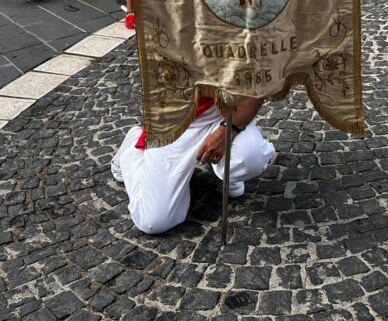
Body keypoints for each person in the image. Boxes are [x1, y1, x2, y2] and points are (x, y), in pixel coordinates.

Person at [111, 94, 276, 234]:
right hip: (176, 117)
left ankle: (223, 167)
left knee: (251, 157)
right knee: (154, 221)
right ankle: (133, 151)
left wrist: (229, 129)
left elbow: (261, 77)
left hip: (224, 110)